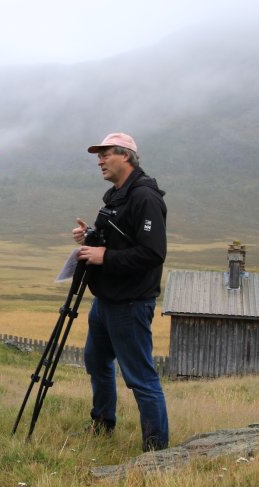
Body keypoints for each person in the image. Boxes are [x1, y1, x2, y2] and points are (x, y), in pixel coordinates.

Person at [71, 132, 169, 452]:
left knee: (140, 377)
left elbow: (152, 254)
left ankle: (156, 450)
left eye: (105, 154)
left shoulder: (145, 197)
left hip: (130, 302)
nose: (99, 160)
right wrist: (89, 237)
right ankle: (102, 426)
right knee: (96, 362)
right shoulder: (115, 195)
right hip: (106, 300)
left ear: (124, 156)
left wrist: (105, 257)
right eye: (98, 155)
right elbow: (118, 239)